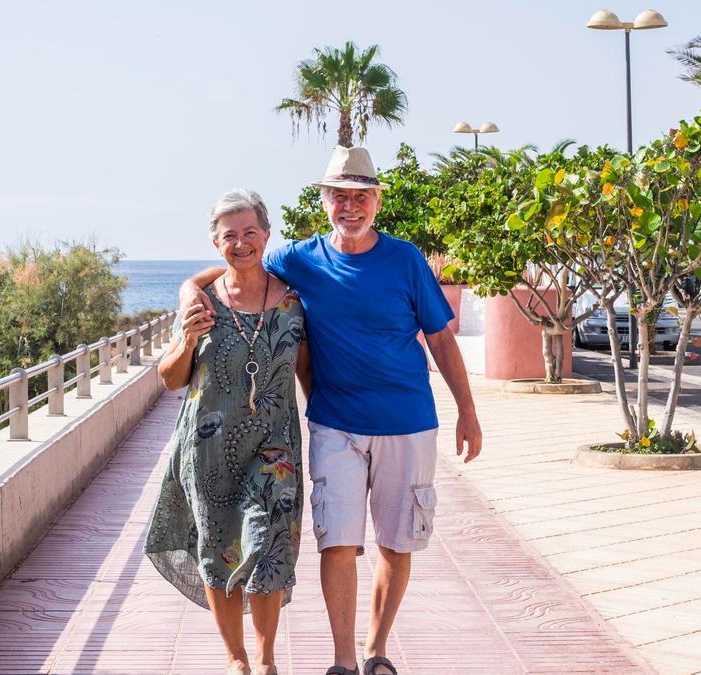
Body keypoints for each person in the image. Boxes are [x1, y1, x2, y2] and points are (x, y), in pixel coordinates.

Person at [181, 147, 482, 675]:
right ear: (325, 202)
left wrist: (468, 411)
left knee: (395, 543)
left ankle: (376, 652)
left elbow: (440, 337)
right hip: (334, 424)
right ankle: (343, 661)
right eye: (340, 196)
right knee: (337, 542)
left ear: (376, 202)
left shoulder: (406, 259)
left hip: (408, 423)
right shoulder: (299, 258)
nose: (350, 206)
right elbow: (237, 262)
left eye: (361, 196)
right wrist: (189, 288)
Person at [145, 188, 310, 675]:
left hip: (274, 446)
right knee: (218, 548)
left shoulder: (293, 303)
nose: (241, 243)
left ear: (267, 234)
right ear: (216, 244)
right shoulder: (202, 304)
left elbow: (308, 372)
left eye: (250, 232)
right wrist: (188, 337)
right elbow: (171, 378)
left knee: (269, 538)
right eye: (229, 236)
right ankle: (236, 659)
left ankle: (265, 659)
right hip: (208, 446)